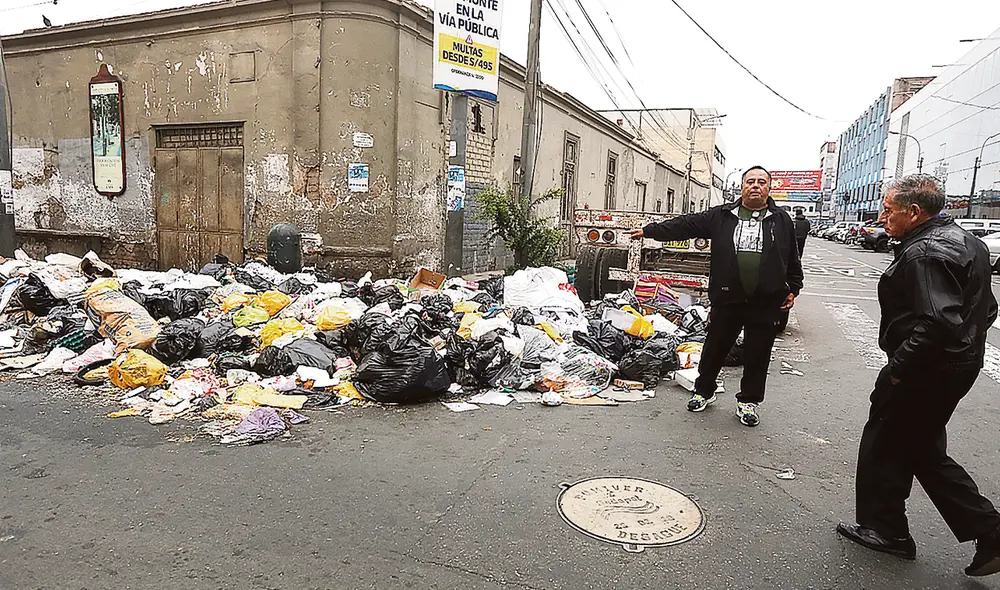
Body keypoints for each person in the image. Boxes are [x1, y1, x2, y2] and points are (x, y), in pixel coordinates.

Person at [836, 174, 1000, 577]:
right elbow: (986, 308)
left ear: (914, 211)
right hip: (955, 364)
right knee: (908, 443)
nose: (882, 216)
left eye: (888, 209)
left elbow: (936, 322)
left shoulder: (925, 251)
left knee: (901, 444)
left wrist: (897, 369)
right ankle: (890, 527)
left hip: (926, 369)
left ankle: (985, 529)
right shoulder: (967, 241)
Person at [629, 166, 803, 427]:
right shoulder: (722, 216)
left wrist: (793, 287)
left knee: (758, 354)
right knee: (714, 349)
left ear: (769, 188)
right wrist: (651, 231)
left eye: (761, 182)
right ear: (741, 187)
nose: (755, 186)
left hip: (765, 300)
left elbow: (792, 257)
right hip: (727, 297)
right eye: (750, 181)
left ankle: (748, 401)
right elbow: (686, 225)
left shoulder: (781, 219)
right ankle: (703, 391)